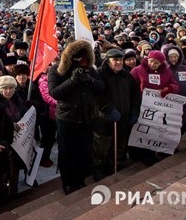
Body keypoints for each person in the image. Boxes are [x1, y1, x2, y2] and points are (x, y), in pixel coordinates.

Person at [48, 40, 105, 194]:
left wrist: (90, 80)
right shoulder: (56, 70)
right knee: (67, 152)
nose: (81, 61)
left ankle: (80, 179)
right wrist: (72, 81)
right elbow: (54, 93)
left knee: (84, 150)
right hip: (67, 119)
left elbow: (101, 88)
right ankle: (67, 182)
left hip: (86, 117)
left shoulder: (90, 70)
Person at [92, 49, 141, 181]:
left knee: (119, 145)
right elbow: (96, 97)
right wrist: (108, 109)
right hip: (104, 119)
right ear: (108, 61)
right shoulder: (99, 75)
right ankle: (98, 169)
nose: (118, 62)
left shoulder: (127, 76)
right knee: (102, 147)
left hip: (123, 118)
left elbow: (136, 95)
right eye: (115, 60)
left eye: (120, 60)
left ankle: (112, 165)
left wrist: (134, 112)